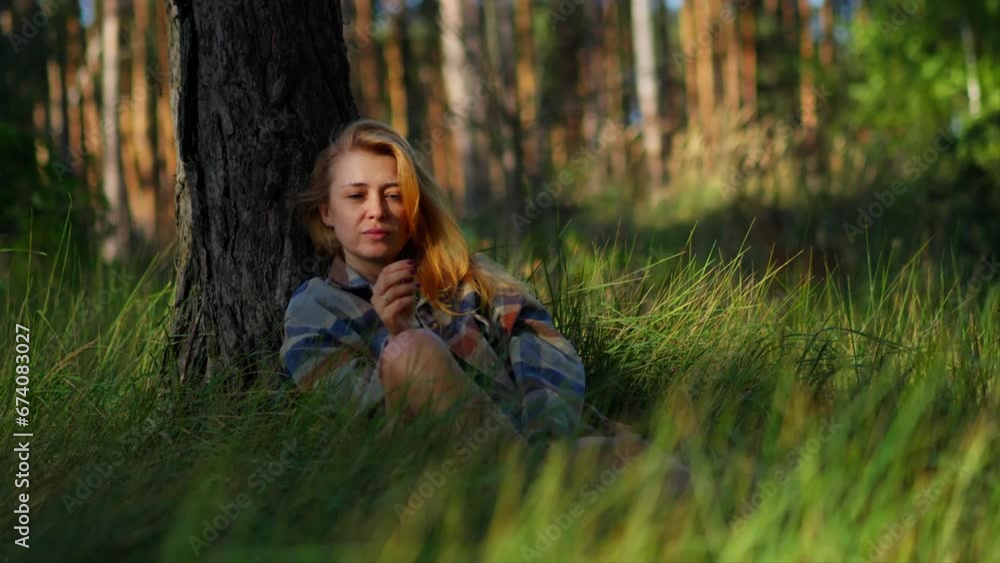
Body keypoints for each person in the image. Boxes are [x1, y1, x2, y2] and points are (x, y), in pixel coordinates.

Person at [280, 120, 680, 483]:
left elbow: (545, 357)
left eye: (393, 195)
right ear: (327, 212)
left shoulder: (469, 278)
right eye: (356, 196)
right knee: (411, 349)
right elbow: (355, 423)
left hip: (541, 454)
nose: (377, 211)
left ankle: (531, 485)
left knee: (664, 472)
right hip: (429, 482)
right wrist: (398, 334)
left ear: (414, 207)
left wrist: (544, 444)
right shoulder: (317, 309)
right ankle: (524, 490)